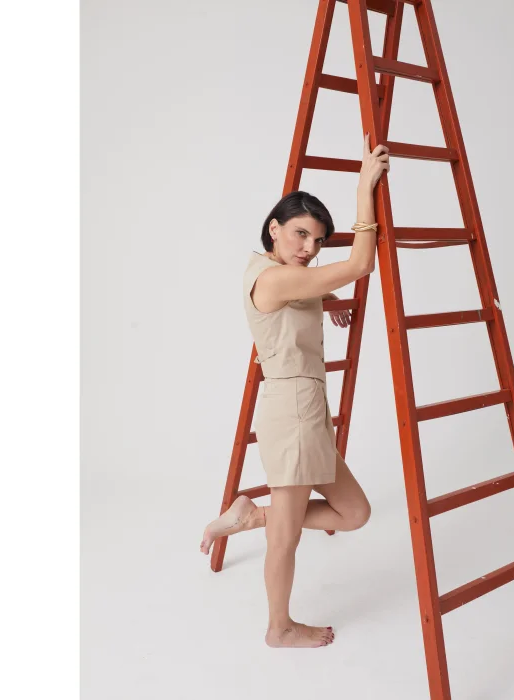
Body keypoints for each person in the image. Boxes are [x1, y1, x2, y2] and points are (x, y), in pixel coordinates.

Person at [201, 133, 390, 648]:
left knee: (355, 512)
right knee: (284, 539)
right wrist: (364, 189)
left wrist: (327, 299)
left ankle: (251, 515)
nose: (309, 248)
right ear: (274, 228)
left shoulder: (273, 272)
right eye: (301, 234)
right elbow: (360, 265)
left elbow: (300, 291)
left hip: (306, 409)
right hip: (293, 413)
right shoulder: (276, 280)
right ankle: (279, 628)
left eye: (318, 241)